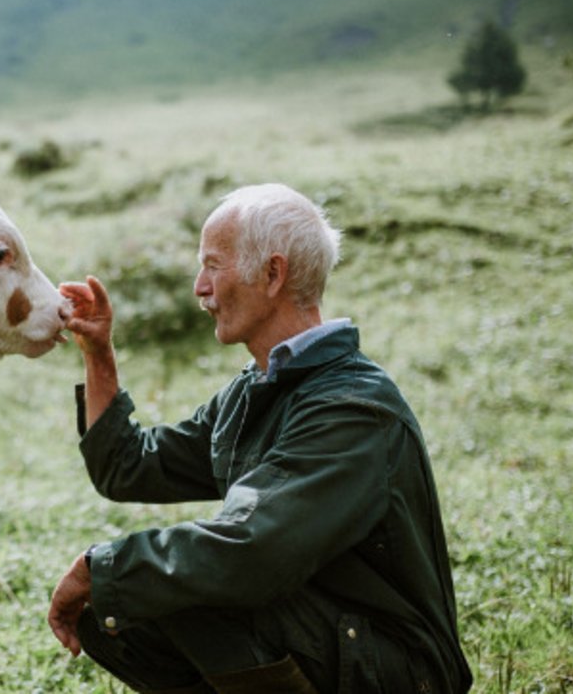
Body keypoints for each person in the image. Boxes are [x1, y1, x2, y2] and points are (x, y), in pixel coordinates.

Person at [48, 184, 472, 693]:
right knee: (121, 610)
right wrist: (98, 352)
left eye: (213, 266)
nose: (199, 288)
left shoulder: (353, 409)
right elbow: (129, 466)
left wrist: (105, 569)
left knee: (176, 588)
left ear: (272, 274)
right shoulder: (257, 390)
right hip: (332, 641)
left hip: (397, 667)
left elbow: (253, 552)